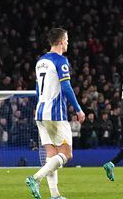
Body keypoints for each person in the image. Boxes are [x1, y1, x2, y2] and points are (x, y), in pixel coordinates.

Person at [26, 28, 86, 199]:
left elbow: (38, 88)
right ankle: (35, 178)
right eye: (66, 39)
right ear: (60, 41)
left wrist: (38, 107)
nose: (68, 42)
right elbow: (66, 87)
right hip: (55, 114)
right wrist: (78, 109)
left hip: (41, 112)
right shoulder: (61, 61)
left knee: (52, 155)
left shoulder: (40, 61)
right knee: (67, 154)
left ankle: (55, 195)